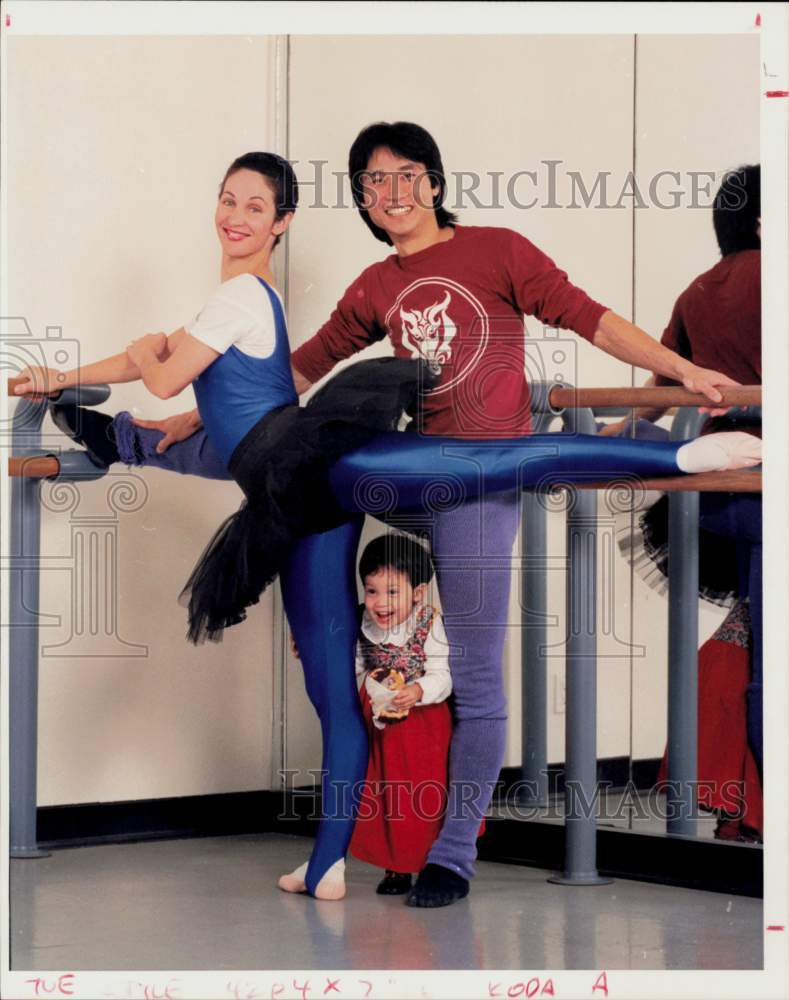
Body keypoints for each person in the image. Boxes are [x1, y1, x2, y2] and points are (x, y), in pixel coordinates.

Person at [16, 132, 760, 905]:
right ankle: (128, 440)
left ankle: (451, 857)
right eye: (373, 183)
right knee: (288, 463)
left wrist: (679, 372)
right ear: (363, 200)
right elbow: (290, 375)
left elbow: (589, 318)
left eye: (405, 176)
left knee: (472, 677)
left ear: (433, 182)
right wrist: (186, 415)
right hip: (407, 471)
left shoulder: (498, 250)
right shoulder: (374, 283)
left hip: (473, 490)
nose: (392, 192)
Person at [604, 165, 763, 782]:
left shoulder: (699, 290)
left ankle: (745, 802)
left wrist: (619, 431)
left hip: (719, 485)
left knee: (754, 637)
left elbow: (666, 385)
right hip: (765, 476)